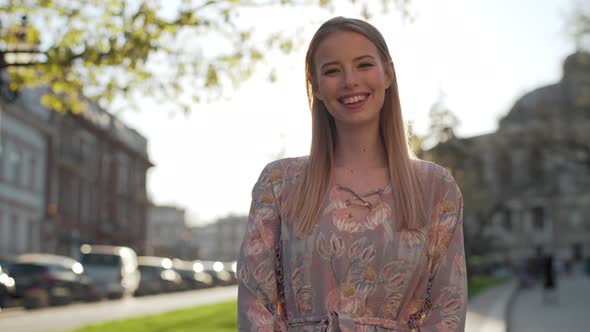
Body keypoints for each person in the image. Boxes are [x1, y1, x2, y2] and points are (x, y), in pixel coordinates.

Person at [237, 16, 466, 332]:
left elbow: (448, 310)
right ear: (315, 86)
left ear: (388, 73)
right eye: (332, 70)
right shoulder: (279, 184)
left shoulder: (436, 188)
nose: (350, 81)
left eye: (363, 65)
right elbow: (255, 308)